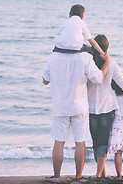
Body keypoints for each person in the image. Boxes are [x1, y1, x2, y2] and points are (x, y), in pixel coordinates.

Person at [42, 44, 111, 178]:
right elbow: (98, 78)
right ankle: (78, 177)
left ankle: (56, 177)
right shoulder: (85, 57)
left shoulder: (53, 57)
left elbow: (45, 80)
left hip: (60, 106)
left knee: (58, 141)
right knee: (80, 142)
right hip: (79, 106)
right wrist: (107, 62)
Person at [87, 34, 123, 178]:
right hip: (107, 109)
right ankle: (100, 173)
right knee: (102, 143)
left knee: (96, 142)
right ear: (106, 48)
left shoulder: (89, 63)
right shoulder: (111, 63)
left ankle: (101, 173)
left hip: (90, 109)